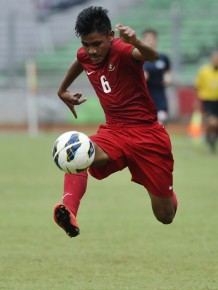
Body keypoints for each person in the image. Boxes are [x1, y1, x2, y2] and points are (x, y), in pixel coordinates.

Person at [53, 6, 178, 238]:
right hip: (114, 132)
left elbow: (152, 56)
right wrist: (62, 90)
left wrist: (136, 41)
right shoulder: (86, 54)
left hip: (147, 135)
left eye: (97, 44)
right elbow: (80, 61)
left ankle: (163, 188)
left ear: (111, 36)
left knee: (165, 216)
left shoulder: (123, 50)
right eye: (86, 44)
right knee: (76, 151)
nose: (91, 51)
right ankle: (68, 211)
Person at [142, 28, 172, 125]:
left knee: (161, 121)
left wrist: (168, 78)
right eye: (147, 39)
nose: (150, 41)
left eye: (152, 39)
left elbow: (167, 72)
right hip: (144, 95)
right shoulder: (139, 58)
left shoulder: (163, 58)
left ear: (156, 41)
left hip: (160, 94)